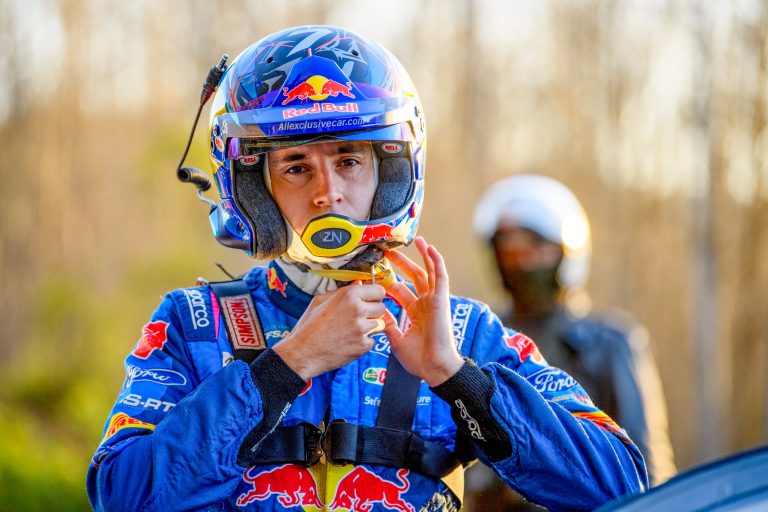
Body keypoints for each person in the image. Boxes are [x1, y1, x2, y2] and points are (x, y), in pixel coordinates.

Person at [86, 26, 647, 512]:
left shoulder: (461, 332)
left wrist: (455, 375)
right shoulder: (193, 323)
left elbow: (620, 484)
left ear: (391, 174)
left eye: (349, 160)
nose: (328, 192)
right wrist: (286, 366)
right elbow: (121, 495)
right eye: (297, 167)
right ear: (255, 188)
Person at [471, 174, 676, 493]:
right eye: (510, 250)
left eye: (537, 250)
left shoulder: (609, 343)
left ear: (565, 253)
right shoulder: (479, 336)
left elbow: (646, 466)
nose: (523, 263)